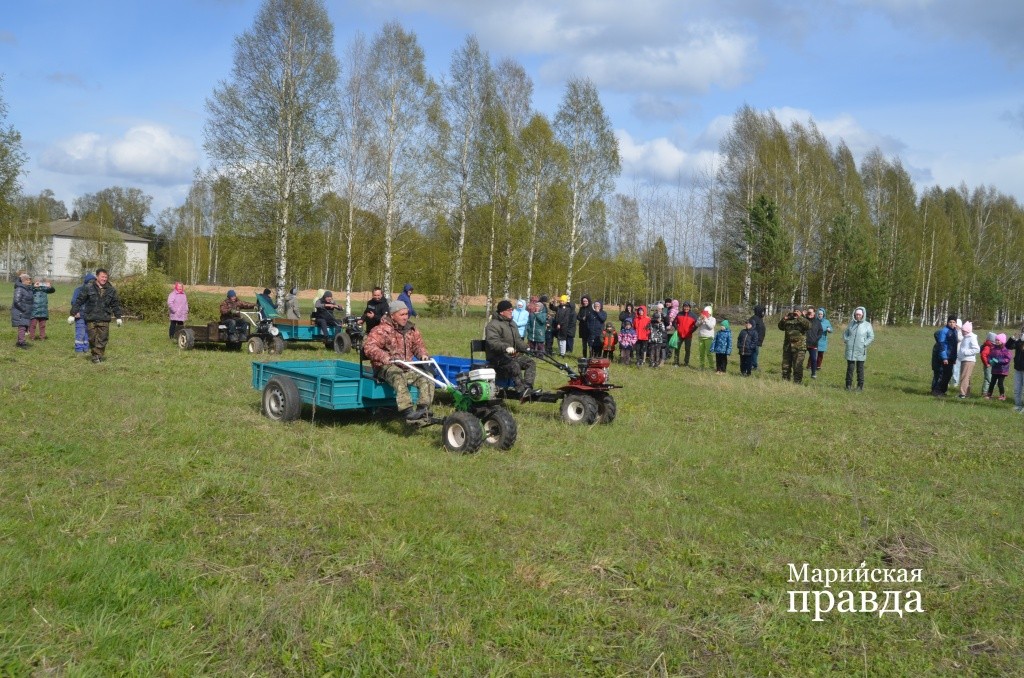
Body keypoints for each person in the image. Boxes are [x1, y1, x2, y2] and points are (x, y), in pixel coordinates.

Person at [362, 299, 433, 421]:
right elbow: (369, 347)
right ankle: (408, 411)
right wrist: (385, 357)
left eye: (406, 314)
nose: (405, 317)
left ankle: (422, 409)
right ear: (392, 315)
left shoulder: (411, 329)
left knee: (427, 376)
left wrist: (423, 355)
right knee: (398, 376)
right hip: (385, 367)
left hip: (407, 366)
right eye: (402, 314)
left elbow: (418, 346)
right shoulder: (382, 330)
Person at [485, 299, 538, 398]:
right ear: (501, 312)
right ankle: (521, 391)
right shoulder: (493, 325)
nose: (511, 311)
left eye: (511, 309)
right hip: (497, 357)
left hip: (510, 356)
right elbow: (493, 343)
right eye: (509, 310)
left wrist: (527, 348)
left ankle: (527, 388)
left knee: (530, 362)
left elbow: (518, 341)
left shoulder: (512, 323)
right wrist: (506, 348)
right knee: (514, 365)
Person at [70, 268, 124, 363]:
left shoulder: (111, 290)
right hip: (91, 318)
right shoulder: (88, 288)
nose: (104, 279)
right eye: (102, 277)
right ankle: (96, 355)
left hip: (104, 318)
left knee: (103, 339)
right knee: (92, 339)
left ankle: (97, 356)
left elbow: (115, 304)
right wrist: (73, 313)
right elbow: (79, 301)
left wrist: (118, 317)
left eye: (106, 277)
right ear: (97, 276)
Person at [843, 306, 874, 391]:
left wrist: (864, 344)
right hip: (850, 350)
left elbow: (871, 337)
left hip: (861, 350)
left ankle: (860, 386)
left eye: (859, 314)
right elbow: (845, 333)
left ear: (863, 315)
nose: (858, 316)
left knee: (860, 369)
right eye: (856, 314)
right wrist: (847, 340)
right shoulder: (851, 323)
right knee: (850, 368)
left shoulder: (867, 325)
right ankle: (848, 385)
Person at [779, 306, 811, 383]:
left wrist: (799, 317)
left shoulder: (803, 320)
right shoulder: (789, 319)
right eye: (794, 310)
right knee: (785, 365)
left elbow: (808, 326)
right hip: (788, 347)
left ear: (800, 312)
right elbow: (780, 327)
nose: (795, 312)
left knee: (797, 366)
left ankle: (797, 382)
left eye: (797, 311)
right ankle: (785, 380)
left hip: (799, 348)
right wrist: (784, 319)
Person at [931, 315, 959, 396]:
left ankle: (943, 391)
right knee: (941, 374)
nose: (952, 324)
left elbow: (954, 346)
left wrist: (954, 358)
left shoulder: (955, 331)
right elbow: (941, 344)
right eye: (950, 322)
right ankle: (937, 391)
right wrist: (944, 357)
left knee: (948, 374)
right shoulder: (944, 331)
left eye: (954, 322)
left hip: (951, 357)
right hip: (944, 357)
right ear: (947, 322)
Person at [956, 321, 980, 399]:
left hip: (968, 360)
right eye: (962, 331)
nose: (962, 332)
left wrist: (966, 352)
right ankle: (967, 393)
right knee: (966, 377)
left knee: (964, 377)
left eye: (964, 331)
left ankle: (962, 394)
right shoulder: (965, 337)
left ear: (968, 331)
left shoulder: (971, 337)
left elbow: (977, 349)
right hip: (964, 359)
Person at [11, 273, 34, 349]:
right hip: (20, 311)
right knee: (22, 327)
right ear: (24, 280)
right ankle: (21, 343)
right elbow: (17, 301)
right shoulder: (19, 289)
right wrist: (24, 309)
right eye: (28, 280)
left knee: (24, 327)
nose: (29, 281)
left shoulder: (28, 288)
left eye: (29, 280)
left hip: (26, 311)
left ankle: (20, 342)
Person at [986, 334, 1011, 401]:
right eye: (996, 340)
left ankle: (1002, 395)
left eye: (998, 340)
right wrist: (990, 360)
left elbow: (1008, 359)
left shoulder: (1005, 349)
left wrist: (999, 361)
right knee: (992, 382)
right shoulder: (993, 348)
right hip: (995, 369)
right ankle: (989, 394)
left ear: (1002, 341)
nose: (997, 341)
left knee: (1000, 383)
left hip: (1002, 370)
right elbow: (990, 356)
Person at [674, 301, 697, 367]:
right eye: (684, 307)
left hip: (688, 335)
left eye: (687, 307)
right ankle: (676, 362)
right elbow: (674, 322)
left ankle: (686, 363)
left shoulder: (693, 315)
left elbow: (696, 325)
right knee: (677, 348)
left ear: (689, 307)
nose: (686, 308)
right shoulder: (679, 314)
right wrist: (677, 328)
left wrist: (691, 331)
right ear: (683, 307)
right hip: (679, 334)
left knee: (687, 349)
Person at [1007, 327, 1024, 413]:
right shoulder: (1019, 341)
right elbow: (1008, 346)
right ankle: (1018, 405)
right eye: (1023, 331)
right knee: (1017, 388)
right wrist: (1013, 338)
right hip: (1018, 368)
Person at [804, 305, 823, 379]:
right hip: (804, 343)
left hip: (813, 343)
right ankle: (798, 372)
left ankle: (813, 373)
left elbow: (820, 331)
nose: (810, 314)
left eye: (811, 312)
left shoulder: (817, 322)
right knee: (800, 358)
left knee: (813, 359)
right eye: (808, 312)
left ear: (814, 313)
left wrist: (816, 338)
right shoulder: (804, 320)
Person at [696, 305, 716, 370]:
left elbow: (711, 327)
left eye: (706, 313)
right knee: (701, 353)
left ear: (709, 313)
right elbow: (696, 324)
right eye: (704, 312)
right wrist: (701, 320)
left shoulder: (713, 319)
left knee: (709, 353)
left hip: (709, 338)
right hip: (701, 337)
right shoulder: (700, 317)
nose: (705, 314)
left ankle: (711, 367)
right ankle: (702, 366)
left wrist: (706, 320)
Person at [749, 304, 767, 370]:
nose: (763, 313)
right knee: (754, 352)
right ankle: (753, 365)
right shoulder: (753, 319)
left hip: (758, 339)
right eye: (762, 311)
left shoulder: (760, 319)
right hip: (754, 340)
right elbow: (751, 330)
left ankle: (753, 365)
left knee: (755, 352)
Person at [980, 331, 995, 396]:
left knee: (989, 378)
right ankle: (985, 393)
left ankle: (987, 392)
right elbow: (983, 355)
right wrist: (986, 363)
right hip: (988, 365)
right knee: (988, 379)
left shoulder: (989, 346)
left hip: (990, 364)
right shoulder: (987, 347)